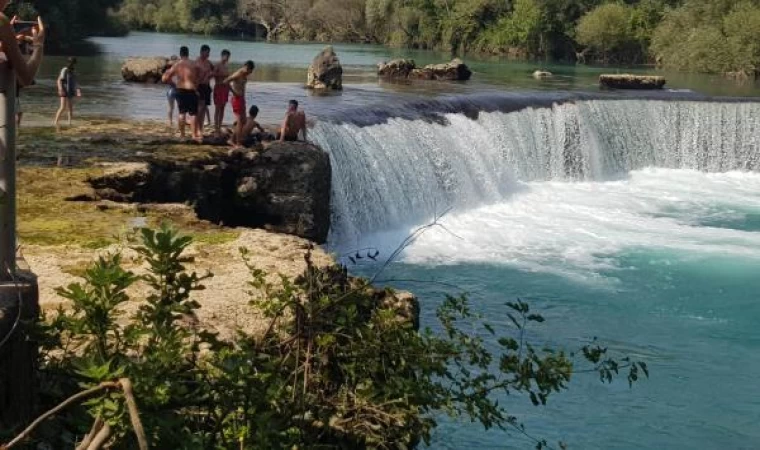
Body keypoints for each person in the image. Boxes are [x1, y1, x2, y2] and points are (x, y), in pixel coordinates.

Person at [162, 46, 201, 141]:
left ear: (180, 54)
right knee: (193, 114)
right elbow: (198, 77)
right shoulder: (193, 64)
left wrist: (173, 83)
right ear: (188, 53)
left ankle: (183, 136)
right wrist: (196, 86)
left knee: (182, 112)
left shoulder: (176, 65)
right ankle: (193, 135)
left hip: (180, 89)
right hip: (191, 89)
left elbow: (165, 78)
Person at [223, 60, 255, 148]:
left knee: (244, 121)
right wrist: (234, 92)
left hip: (241, 99)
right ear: (247, 68)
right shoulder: (239, 73)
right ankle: (237, 143)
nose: (250, 73)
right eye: (250, 71)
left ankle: (232, 139)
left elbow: (242, 86)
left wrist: (243, 97)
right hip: (236, 99)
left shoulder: (244, 74)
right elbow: (226, 81)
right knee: (240, 122)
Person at [53, 57, 80, 129]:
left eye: (73, 63)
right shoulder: (64, 70)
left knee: (70, 107)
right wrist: (60, 89)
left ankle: (70, 122)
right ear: (68, 62)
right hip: (64, 90)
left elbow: (75, 82)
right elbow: (59, 80)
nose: (72, 64)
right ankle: (55, 122)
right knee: (62, 107)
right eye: (71, 63)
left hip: (70, 91)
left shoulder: (73, 71)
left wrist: (78, 90)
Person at [213, 49, 231, 135]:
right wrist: (222, 75)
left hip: (225, 89)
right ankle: (216, 128)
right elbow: (213, 74)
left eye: (228, 57)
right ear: (222, 55)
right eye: (227, 56)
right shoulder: (217, 65)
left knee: (223, 108)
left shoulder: (226, 66)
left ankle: (219, 127)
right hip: (218, 87)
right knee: (217, 109)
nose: (227, 58)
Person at [196, 44, 214, 130]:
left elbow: (214, 70)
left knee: (204, 108)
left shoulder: (208, 62)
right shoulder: (197, 62)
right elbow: (194, 76)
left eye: (209, 53)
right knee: (200, 107)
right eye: (207, 53)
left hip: (207, 86)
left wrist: (210, 75)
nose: (208, 55)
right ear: (202, 52)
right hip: (199, 86)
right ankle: (197, 127)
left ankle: (201, 127)